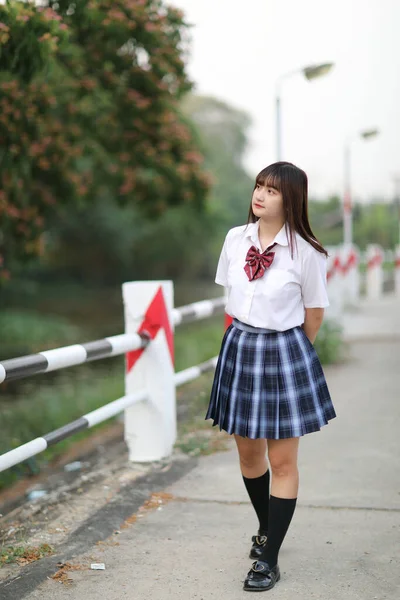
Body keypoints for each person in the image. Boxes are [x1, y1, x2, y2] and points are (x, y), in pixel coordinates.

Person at [205, 161, 336, 592]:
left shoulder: (307, 253)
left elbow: (314, 314)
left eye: (272, 190)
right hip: (240, 346)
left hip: (283, 350)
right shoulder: (234, 239)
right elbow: (230, 299)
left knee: (282, 461)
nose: (259, 195)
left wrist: (292, 355)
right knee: (248, 456)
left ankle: (268, 558)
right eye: (259, 186)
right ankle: (267, 529)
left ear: (291, 199)